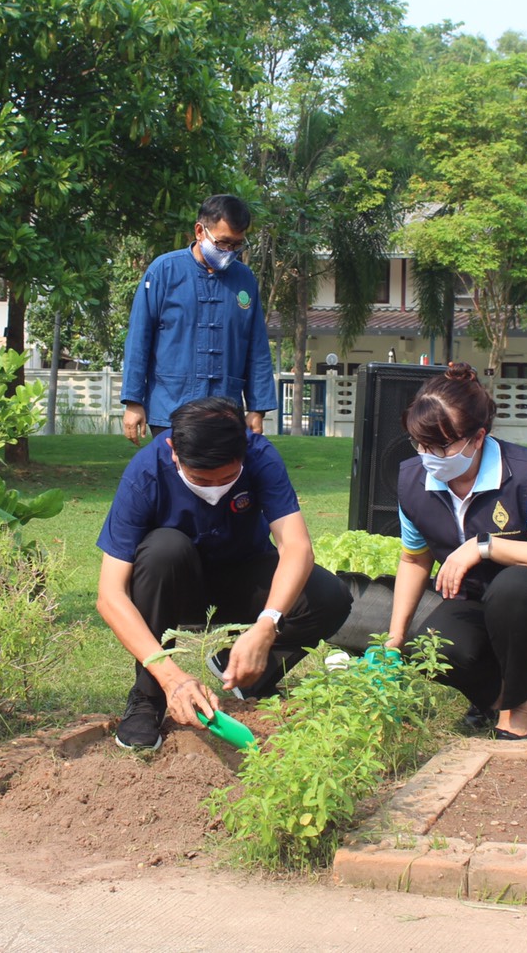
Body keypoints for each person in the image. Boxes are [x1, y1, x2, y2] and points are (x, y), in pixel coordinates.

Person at [95, 396, 352, 750]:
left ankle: (248, 673)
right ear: (173, 451)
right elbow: (110, 595)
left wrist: (267, 623)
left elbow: (296, 547)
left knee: (328, 596)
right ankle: (147, 698)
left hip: (241, 577)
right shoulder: (146, 471)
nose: (216, 487)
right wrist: (171, 677)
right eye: (201, 477)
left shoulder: (261, 457)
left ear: (244, 449)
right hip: (175, 587)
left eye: (229, 477)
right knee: (164, 549)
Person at [384, 364, 527, 739]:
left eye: (442, 445)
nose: (430, 456)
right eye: (420, 444)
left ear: (477, 438)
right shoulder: (412, 480)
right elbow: (414, 559)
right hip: (476, 602)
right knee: (429, 643)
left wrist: (485, 546)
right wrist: (396, 635)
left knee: (514, 586)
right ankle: (495, 694)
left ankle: (517, 706)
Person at [120, 195, 276, 445]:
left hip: (225, 409)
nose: (229, 251)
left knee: (221, 481)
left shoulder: (244, 280)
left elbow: (256, 347)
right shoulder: (163, 271)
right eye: (223, 242)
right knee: (173, 478)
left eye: (236, 245)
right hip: (170, 406)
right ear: (200, 231)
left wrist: (257, 409)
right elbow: (139, 338)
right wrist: (133, 402)